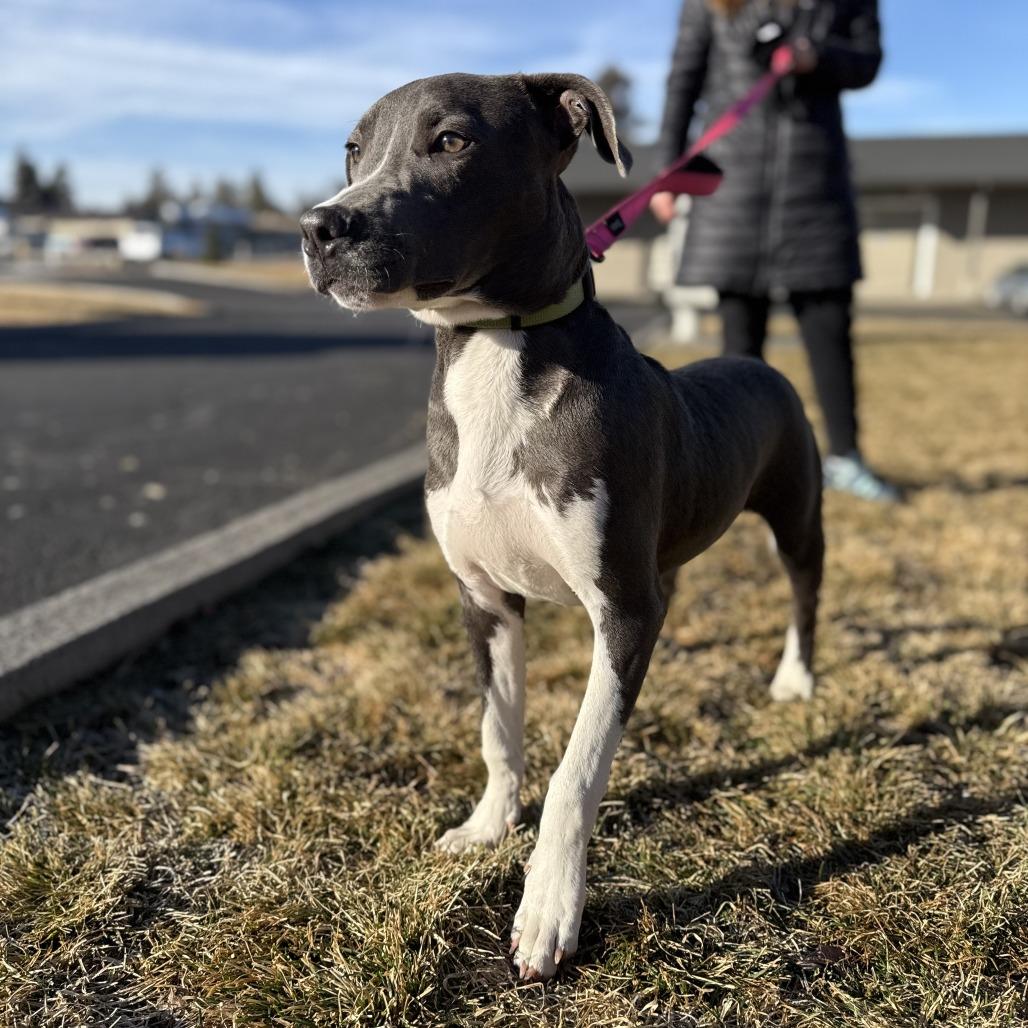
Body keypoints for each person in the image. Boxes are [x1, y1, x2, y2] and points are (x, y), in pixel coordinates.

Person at [652, 0, 899, 502]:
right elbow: (684, 82)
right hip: (732, 181)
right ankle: (741, 465)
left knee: (829, 330)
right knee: (740, 339)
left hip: (815, 181)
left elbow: (867, 61)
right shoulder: (709, 5)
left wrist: (817, 56)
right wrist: (667, 171)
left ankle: (845, 458)